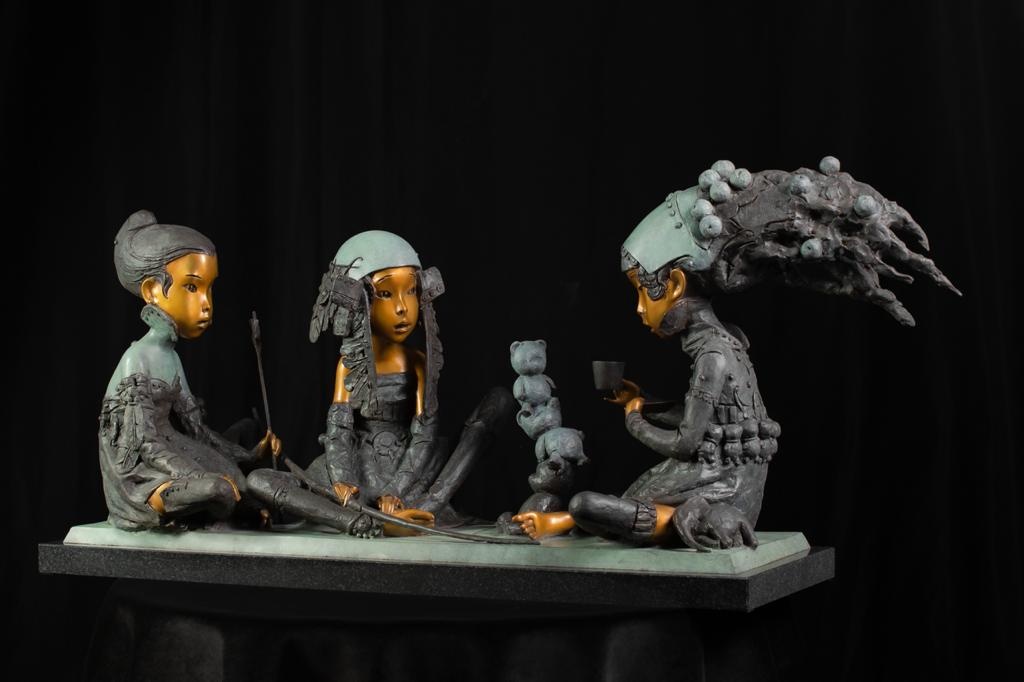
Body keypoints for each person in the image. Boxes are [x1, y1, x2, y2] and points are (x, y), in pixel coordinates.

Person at [515, 157, 959, 550]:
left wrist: (634, 418)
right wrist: (645, 401)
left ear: (674, 286)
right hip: (724, 478)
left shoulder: (714, 354)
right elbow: (712, 425)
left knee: (589, 504)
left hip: (720, 491)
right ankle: (574, 521)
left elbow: (687, 442)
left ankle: (575, 520)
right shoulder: (727, 342)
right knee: (612, 503)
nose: (638, 308)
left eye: (643, 292)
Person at [247, 230, 514, 537]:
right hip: (359, 462)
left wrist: (396, 490)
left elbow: (424, 434)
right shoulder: (348, 365)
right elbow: (339, 430)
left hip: (411, 464)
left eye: (410, 291)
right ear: (357, 302)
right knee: (265, 481)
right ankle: (367, 517)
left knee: (497, 403)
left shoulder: (416, 362)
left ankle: (417, 508)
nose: (402, 307)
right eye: (386, 294)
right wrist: (343, 480)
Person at [99, 210, 281, 531]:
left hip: (174, 454)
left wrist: (250, 455)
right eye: (192, 287)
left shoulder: (171, 358)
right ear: (152, 291)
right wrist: (198, 474)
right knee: (219, 489)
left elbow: (196, 431)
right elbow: (145, 444)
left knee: (239, 482)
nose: (207, 303)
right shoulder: (136, 359)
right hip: (142, 478)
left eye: (209, 289)